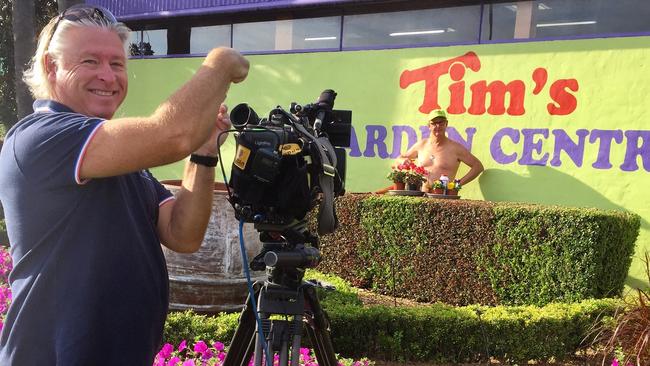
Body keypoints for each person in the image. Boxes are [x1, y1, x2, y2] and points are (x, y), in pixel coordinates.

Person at [0, 5, 248, 365]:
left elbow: (183, 234)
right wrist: (220, 61)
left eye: (116, 64)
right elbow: (172, 133)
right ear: (52, 68)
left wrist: (204, 153)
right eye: (90, 62)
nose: (108, 76)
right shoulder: (40, 138)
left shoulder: (121, 159)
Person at [377, 110, 484, 193]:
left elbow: (478, 167)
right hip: (419, 196)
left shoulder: (456, 148)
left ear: (446, 124)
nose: (438, 126)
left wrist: (456, 185)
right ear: (429, 126)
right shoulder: (421, 145)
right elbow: (399, 159)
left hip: (443, 198)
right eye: (434, 123)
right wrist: (402, 161)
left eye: (441, 123)